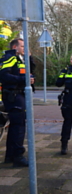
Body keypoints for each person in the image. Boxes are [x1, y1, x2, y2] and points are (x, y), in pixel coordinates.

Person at [0, 38, 35, 167]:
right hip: (13, 96)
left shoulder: (19, 59)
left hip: (18, 95)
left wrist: (29, 57)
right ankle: (18, 156)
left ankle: (10, 155)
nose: (24, 48)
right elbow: (3, 75)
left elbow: (30, 70)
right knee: (19, 126)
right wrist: (23, 79)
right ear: (15, 47)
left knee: (15, 126)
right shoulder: (9, 58)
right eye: (22, 46)